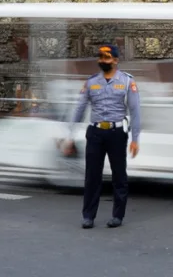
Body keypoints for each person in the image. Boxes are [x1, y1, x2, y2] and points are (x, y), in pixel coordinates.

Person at [67, 44, 141, 229]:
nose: (103, 61)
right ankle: (88, 216)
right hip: (95, 133)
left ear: (115, 60)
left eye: (107, 58)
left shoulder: (126, 81)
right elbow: (80, 108)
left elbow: (135, 111)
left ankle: (118, 215)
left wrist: (135, 139)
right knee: (92, 175)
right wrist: (69, 134)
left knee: (119, 175)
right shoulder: (91, 82)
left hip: (116, 133)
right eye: (101, 58)